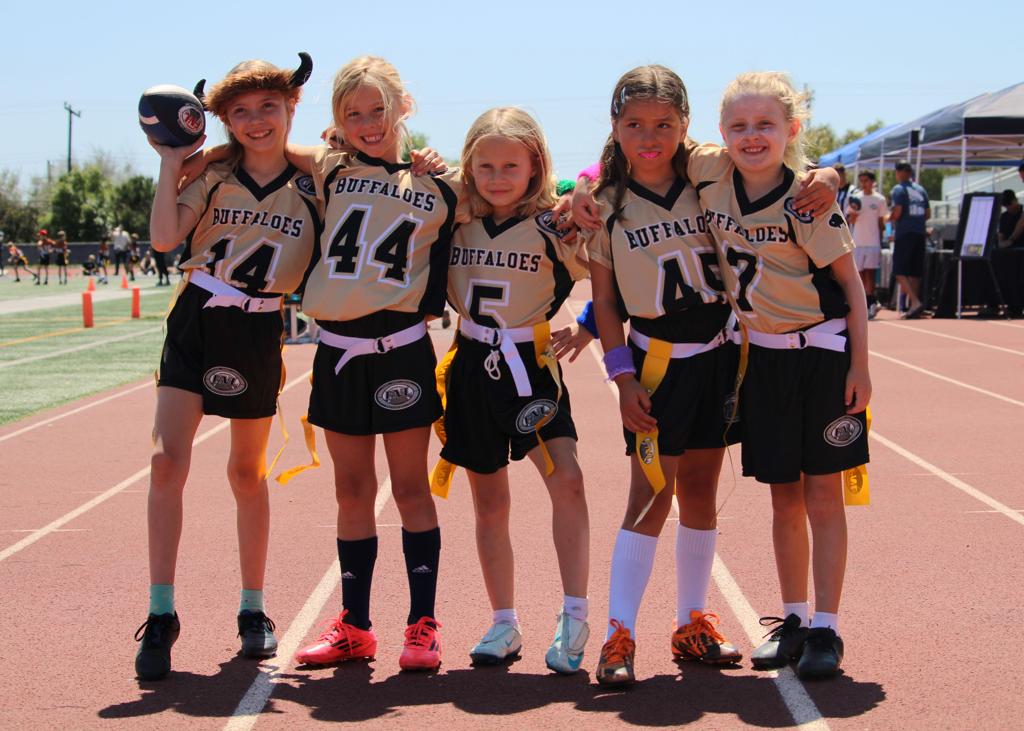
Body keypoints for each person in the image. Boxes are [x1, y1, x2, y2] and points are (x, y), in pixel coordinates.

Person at [229, 56, 454, 672]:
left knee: (409, 488)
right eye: (353, 114)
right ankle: (356, 625)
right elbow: (264, 143)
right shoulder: (331, 164)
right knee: (351, 490)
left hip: (401, 347)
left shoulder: (441, 183)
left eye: (379, 110)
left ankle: (423, 625)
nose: (368, 123)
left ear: (404, 106)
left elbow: (518, 188)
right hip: (338, 351)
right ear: (337, 121)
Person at [134, 54, 319, 681]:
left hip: (258, 327)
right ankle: (161, 611)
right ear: (222, 120)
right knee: (167, 461)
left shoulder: (316, 181)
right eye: (239, 111)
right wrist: (171, 163)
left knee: (246, 472)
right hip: (197, 316)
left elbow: (339, 167)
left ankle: (252, 607)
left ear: (291, 107)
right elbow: (165, 239)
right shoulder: (213, 174)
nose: (255, 120)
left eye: (269, 106)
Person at [563, 66, 747, 688]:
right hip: (657, 365)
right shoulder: (604, 204)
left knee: (700, 489)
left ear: (685, 124)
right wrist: (622, 380)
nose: (650, 137)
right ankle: (619, 633)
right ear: (615, 127)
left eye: (664, 124)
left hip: (718, 357)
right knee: (649, 496)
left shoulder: (708, 181)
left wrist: (825, 177)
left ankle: (692, 621)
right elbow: (605, 301)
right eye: (635, 124)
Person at [687, 71, 870, 680]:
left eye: (765, 124)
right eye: (739, 125)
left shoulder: (807, 198)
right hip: (762, 359)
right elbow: (640, 151)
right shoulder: (709, 172)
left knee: (823, 494)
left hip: (820, 355)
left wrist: (861, 367)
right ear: (721, 133)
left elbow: (852, 288)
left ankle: (827, 627)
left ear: (791, 129)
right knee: (783, 496)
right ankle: (793, 619)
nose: (752, 136)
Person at [436, 107, 591, 673]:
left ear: (535, 166)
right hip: (471, 364)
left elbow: (620, 270)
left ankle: (575, 615)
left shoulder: (556, 225)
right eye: (486, 165)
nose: (498, 177)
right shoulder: (455, 216)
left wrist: (590, 324)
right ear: (469, 166)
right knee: (489, 502)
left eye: (511, 165)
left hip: (530, 366)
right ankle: (504, 622)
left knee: (567, 481)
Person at [890, 161, 930, 318]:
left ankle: (914, 301)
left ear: (899, 172)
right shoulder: (921, 189)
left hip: (905, 233)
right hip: (919, 232)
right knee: (915, 272)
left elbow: (897, 212)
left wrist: (889, 218)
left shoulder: (899, 189)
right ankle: (914, 305)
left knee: (899, 270)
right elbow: (927, 213)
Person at [845, 171, 888, 318]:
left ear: (872, 181)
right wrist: (854, 213)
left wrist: (883, 237)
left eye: (866, 180)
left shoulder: (879, 199)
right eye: (862, 181)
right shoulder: (855, 198)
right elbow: (851, 220)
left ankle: (871, 303)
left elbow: (881, 222)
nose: (864, 184)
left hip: (873, 242)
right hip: (858, 241)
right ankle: (864, 302)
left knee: (870, 274)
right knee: (860, 274)